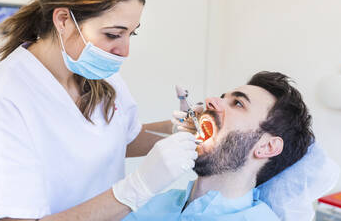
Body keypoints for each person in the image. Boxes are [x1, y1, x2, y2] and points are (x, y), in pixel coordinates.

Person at [0, 0, 198, 220]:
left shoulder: (97, 71)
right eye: (113, 34)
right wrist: (135, 189)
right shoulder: (6, 96)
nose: (124, 52)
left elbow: (118, 138)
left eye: (130, 34)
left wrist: (178, 130)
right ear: (62, 20)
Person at [124, 71, 315, 221]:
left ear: (267, 147)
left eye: (238, 104)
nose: (210, 101)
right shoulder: (154, 205)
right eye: (222, 97)